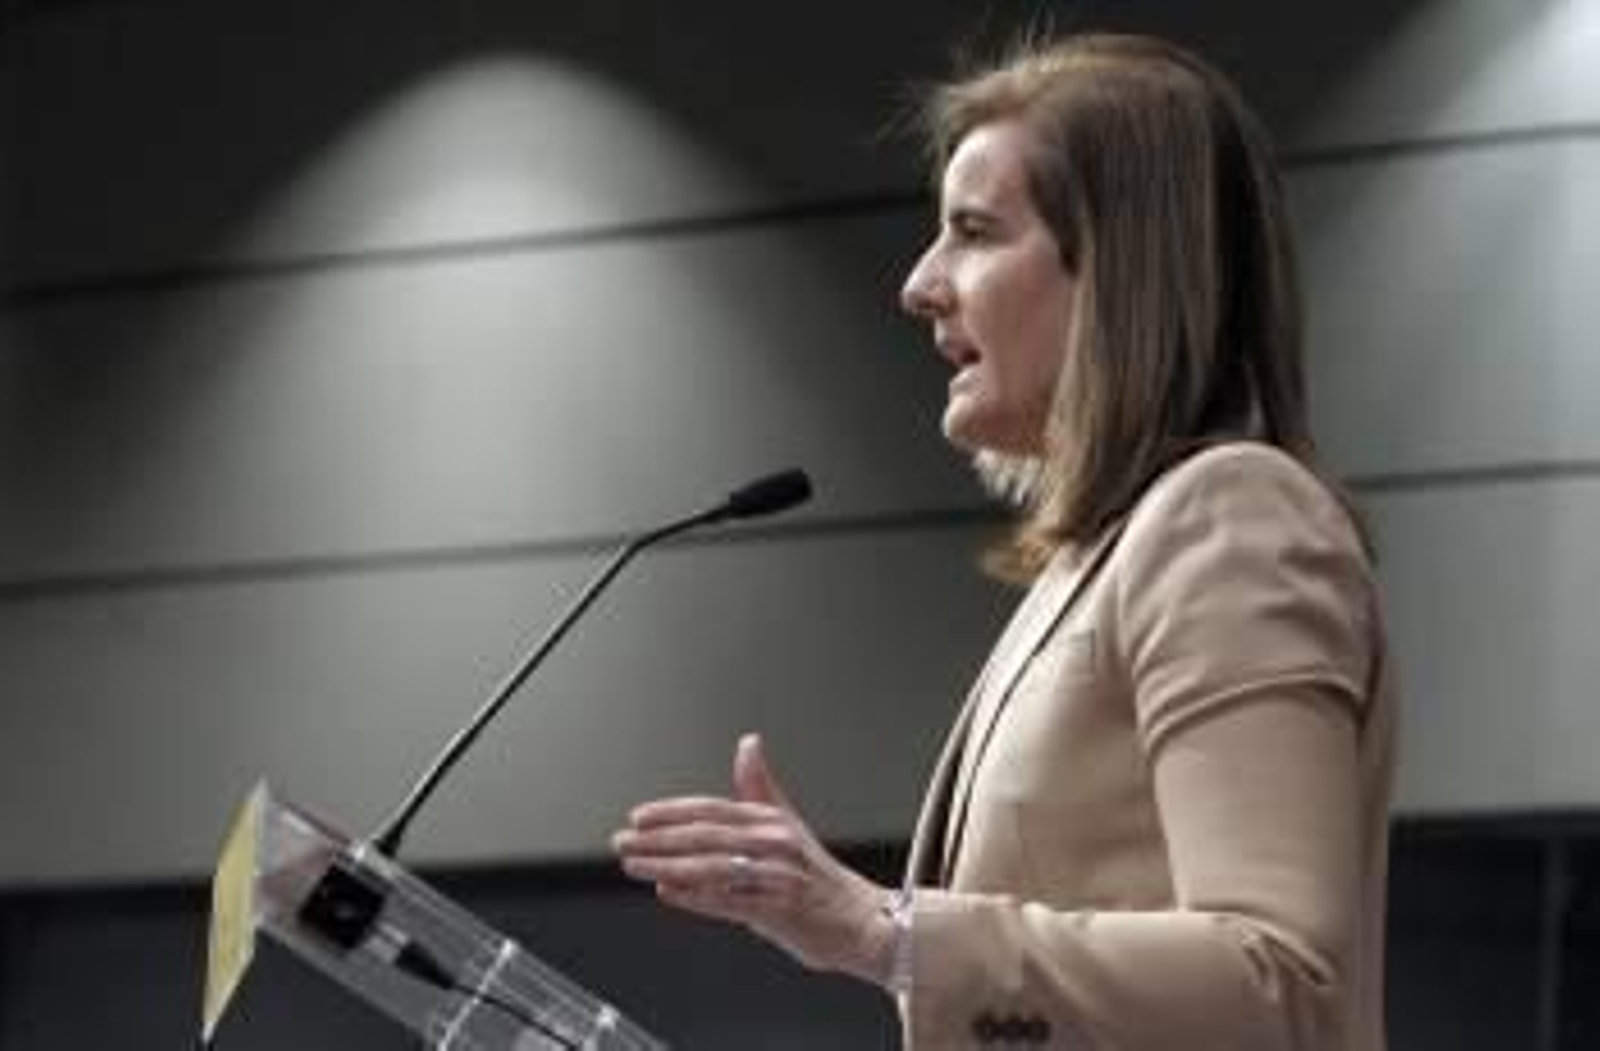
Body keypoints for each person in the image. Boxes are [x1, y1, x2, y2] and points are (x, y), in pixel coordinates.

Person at [613, 30, 1394, 1051]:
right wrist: (879, 938)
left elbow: (1277, 980)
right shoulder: (1103, 555)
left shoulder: (1230, 517)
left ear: (1116, 269)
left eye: (974, 232)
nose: (919, 282)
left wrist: (879, 928)